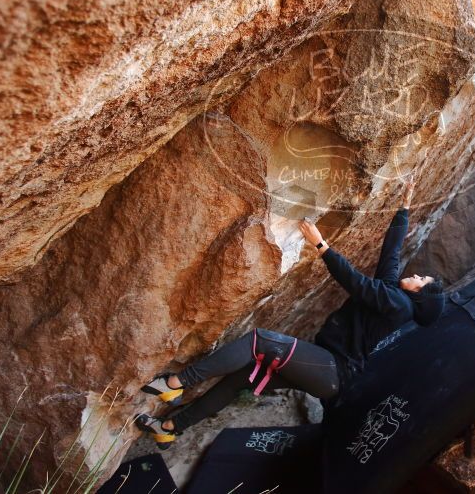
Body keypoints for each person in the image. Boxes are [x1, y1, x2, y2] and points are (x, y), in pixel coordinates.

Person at [135, 178, 445, 448]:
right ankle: (169, 429)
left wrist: (321, 245)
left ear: (419, 296)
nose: (417, 276)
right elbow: (390, 257)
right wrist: (404, 208)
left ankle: (174, 384)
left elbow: (356, 283)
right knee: (238, 379)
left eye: (421, 280)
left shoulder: (399, 305)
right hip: (325, 367)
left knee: (259, 341)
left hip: (333, 370)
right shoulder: (394, 297)